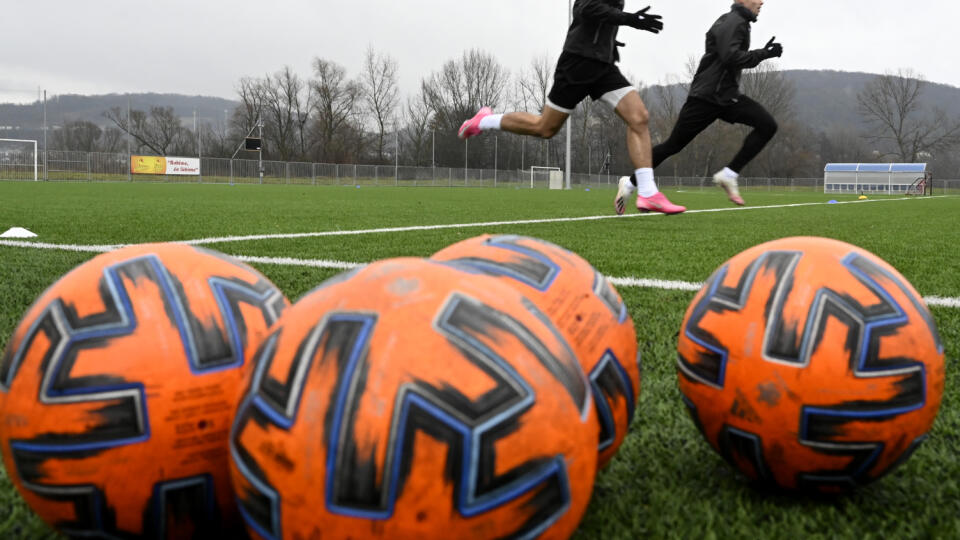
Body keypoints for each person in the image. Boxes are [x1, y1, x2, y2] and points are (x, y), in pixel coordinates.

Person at [458, 1, 686, 215]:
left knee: (639, 117)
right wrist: (627, 19)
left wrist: (609, 41)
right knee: (544, 128)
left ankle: (647, 192)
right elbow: (586, 8)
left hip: (603, 67)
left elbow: (599, 19)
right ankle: (483, 121)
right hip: (577, 63)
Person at [639, 0, 782, 206]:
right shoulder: (734, 21)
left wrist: (764, 53)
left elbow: (728, 56)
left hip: (725, 97)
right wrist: (763, 54)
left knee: (767, 125)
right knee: (673, 145)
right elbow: (730, 57)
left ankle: (729, 174)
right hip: (706, 98)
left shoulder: (738, 21)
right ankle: (630, 182)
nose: (761, 2)